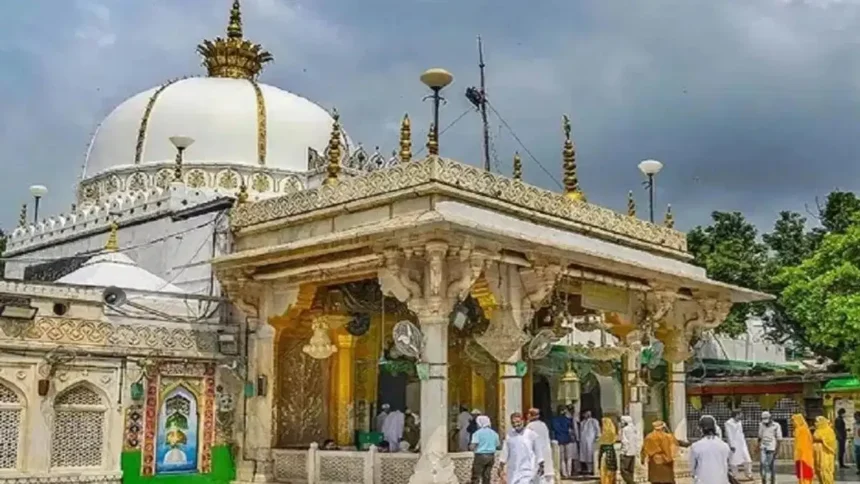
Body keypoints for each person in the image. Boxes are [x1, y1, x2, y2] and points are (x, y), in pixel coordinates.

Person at [499, 412, 545, 484]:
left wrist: (541, 464)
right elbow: (505, 452)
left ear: (523, 421)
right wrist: (501, 466)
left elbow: (538, 450)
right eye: (513, 422)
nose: (515, 424)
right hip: (513, 470)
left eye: (518, 422)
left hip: (527, 469)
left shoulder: (531, 434)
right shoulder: (509, 436)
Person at [689, 416, 731, 484]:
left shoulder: (696, 446)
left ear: (701, 429)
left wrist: (694, 475)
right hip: (722, 481)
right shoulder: (725, 446)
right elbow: (726, 463)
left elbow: (692, 467)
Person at [527, 408, 556, 483]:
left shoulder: (530, 426)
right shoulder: (543, 425)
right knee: (547, 473)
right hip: (546, 451)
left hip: (537, 453)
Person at [470, 415, 500, 484]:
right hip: (491, 456)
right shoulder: (494, 433)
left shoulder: (477, 433)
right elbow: (498, 445)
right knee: (487, 476)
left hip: (480, 456)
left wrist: (470, 446)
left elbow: (473, 446)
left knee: (476, 476)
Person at [724, 410, 752, 480]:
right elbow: (729, 434)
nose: (742, 416)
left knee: (748, 460)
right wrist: (731, 445)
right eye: (740, 414)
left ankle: (749, 474)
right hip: (734, 444)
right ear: (737, 414)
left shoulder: (739, 422)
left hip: (742, 444)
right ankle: (734, 476)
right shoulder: (728, 423)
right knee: (733, 461)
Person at [552, 405, 576, 479]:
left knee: (562, 458)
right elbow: (571, 430)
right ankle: (569, 472)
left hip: (559, 439)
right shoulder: (568, 419)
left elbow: (555, 429)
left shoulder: (554, 420)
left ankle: (564, 473)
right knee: (568, 457)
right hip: (567, 439)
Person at [757, 411, 782, 484]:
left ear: (771, 418)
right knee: (762, 464)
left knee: (771, 466)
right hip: (763, 447)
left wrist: (777, 450)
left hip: (772, 448)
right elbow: (759, 436)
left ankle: (772, 481)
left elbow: (779, 439)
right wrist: (757, 446)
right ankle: (763, 481)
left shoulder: (776, 425)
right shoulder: (761, 425)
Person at [792, 414, 814, 484]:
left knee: (804, 473)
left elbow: (802, 444)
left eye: (794, 421)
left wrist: (800, 454)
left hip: (804, 455)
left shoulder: (802, 430)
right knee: (801, 474)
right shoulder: (799, 429)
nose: (793, 423)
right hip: (800, 455)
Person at [813, 416, 836, 484]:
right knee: (819, 470)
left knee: (825, 470)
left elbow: (831, 442)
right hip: (818, 454)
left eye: (817, 422)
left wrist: (821, 439)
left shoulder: (829, 430)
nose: (815, 423)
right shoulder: (817, 430)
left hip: (826, 454)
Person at [620, 416, 641, 484]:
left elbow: (625, 441)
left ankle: (631, 482)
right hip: (633, 452)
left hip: (627, 453)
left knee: (624, 470)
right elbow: (637, 440)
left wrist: (624, 451)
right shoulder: (634, 428)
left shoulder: (625, 429)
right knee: (630, 470)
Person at [598, 417, 619, 484]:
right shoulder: (613, 433)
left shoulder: (604, 434)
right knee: (611, 472)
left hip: (605, 455)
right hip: (611, 452)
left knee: (605, 472)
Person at [580, 410, 601, 476]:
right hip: (584, 440)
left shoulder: (594, 421)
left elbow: (597, 429)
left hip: (591, 440)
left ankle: (592, 470)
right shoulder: (582, 422)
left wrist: (597, 437)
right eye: (585, 413)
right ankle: (588, 469)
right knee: (585, 455)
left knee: (591, 455)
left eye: (588, 413)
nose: (587, 414)